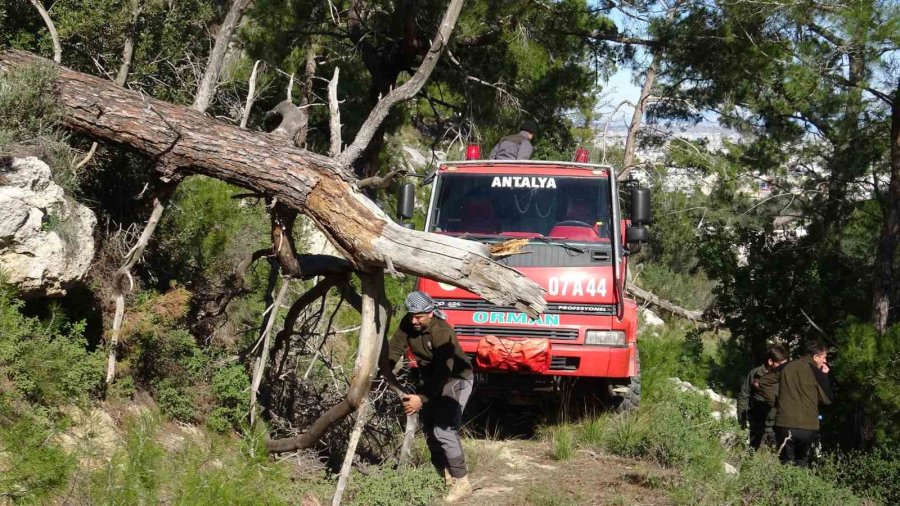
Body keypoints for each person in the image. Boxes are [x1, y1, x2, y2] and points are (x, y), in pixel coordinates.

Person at [380, 291, 475, 503]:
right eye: (411, 315)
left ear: (430, 313)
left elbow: (444, 371)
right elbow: (395, 347)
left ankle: (462, 482)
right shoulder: (408, 322)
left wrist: (420, 399)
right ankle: (443, 474)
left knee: (444, 429)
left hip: (456, 378)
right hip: (430, 379)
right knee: (430, 429)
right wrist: (382, 372)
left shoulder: (442, 331)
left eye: (419, 316)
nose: (414, 320)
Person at [759, 340, 833, 467]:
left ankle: (784, 485)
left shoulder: (787, 366)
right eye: (823, 358)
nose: (825, 361)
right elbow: (827, 399)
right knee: (801, 463)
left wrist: (776, 402)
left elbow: (764, 381)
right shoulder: (816, 372)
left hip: (785, 424)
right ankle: (800, 486)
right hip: (809, 427)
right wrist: (824, 376)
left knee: (785, 463)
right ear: (815, 357)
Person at [737, 345, 788, 450]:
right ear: (770, 361)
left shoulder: (785, 377)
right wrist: (741, 418)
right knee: (753, 451)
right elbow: (744, 395)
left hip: (776, 425)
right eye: (780, 364)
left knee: (776, 454)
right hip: (757, 424)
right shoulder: (755, 373)